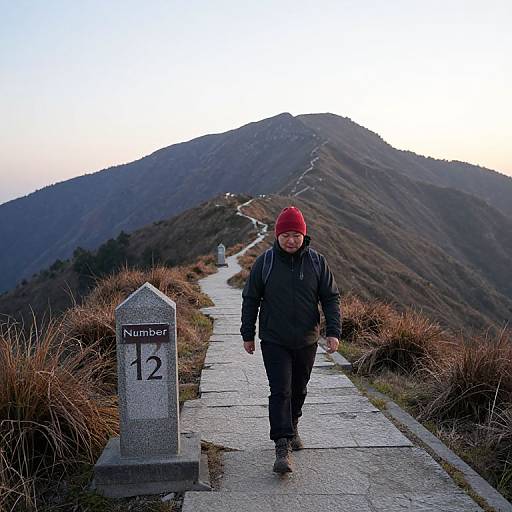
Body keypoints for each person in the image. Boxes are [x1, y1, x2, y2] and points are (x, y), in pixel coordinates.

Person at [240, 206, 341, 474]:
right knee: (280, 390)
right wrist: (247, 334)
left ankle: (293, 424)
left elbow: (330, 298)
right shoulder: (266, 262)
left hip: (307, 339)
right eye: (286, 235)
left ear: (304, 235)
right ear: (277, 235)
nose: (291, 240)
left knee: (299, 389)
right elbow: (250, 298)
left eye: (296, 234)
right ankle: (281, 445)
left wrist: (333, 331)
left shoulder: (317, 262)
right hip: (274, 339)